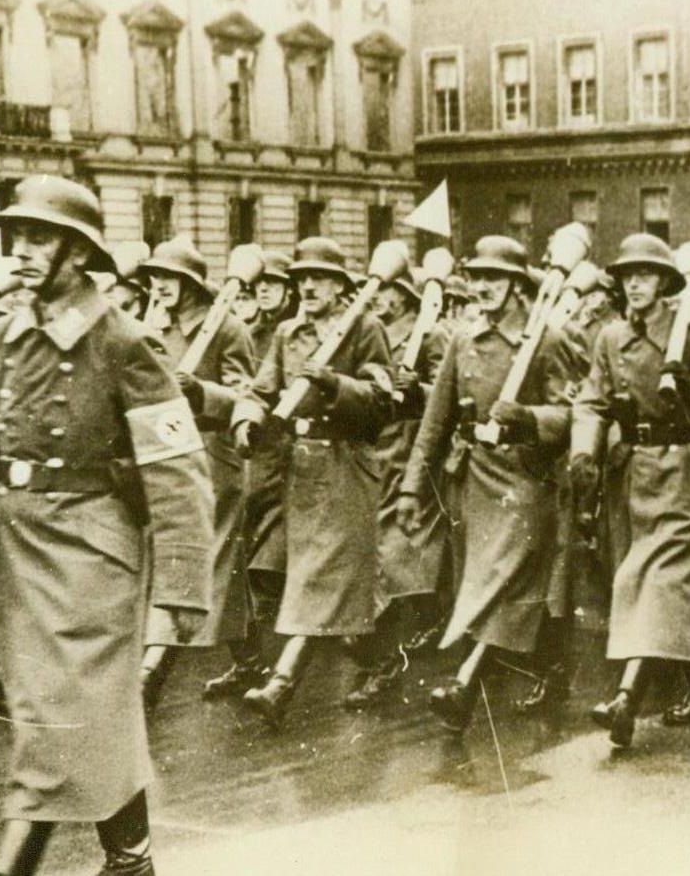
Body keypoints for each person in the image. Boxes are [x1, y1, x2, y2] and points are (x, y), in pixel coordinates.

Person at [0, 175, 214, 876]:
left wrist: (179, 593)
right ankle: (131, 859)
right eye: (15, 238)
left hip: (92, 556)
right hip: (17, 559)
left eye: (39, 239)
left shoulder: (123, 341)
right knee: (72, 722)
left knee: (58, 730)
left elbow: (177, 469)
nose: (20, 253)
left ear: (77, 254)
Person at [398, 236, 573, 734]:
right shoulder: (461, 338)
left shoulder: (546, 338)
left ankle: (464, 687)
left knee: (502, 583)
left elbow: (572, 413)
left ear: (518, 285)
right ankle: (548, 666)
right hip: (473, 481)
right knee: (492, 587)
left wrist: (529, 418)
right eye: (476, 278)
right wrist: (413, 487)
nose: (482, 288)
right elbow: (435, 422)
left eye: (494, 278)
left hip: (525, 478)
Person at [574, 233, 690, 747]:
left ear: (665, 281)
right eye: (626, 275)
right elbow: (591, 402)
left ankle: (626, 699)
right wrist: (584, 451)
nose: (634, 283)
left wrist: (688, 388)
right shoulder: (611, 337)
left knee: (656, 582)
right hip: (632, 475)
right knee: (647, 584)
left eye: (645, 274)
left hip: (683, 468)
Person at [233, 237, 391, 730]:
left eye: (318, 278)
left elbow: (383, 400)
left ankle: (282, 683)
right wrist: (246, 419)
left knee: (322, 577)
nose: (307, 287)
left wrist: (334, 386)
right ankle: (382, 657)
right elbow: (260, 389)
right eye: (301, 279)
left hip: (347, 463)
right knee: (327, 581)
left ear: (341, 285)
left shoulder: (366, 327)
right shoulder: (287, 333)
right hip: (300, 468)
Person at [138, 238, 258, 707]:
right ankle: (250, 661)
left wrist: (201, 391)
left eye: (169, 278)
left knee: (191, 565)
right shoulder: (155, 328)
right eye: (155, 277)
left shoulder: (227, 328)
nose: (159, 286)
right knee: (218, 571)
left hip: (213, 459)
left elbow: (246, 397)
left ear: (191, 284)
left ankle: (153, 671)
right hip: (167, 454)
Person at [343, 268, 452, 709]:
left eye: (387, 290)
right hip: (379, 445)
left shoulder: (431, 334)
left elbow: (449, 392)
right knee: (375, 545)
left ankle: (383, 649)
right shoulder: (372, 332)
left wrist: (420, 389)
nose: (379, 297)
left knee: (391, 548)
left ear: (406, 296)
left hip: (413, 448)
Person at [228, 250, 296, 683]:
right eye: (259, 285)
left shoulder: (294, 334)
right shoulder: (248, 331)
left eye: (274, 283)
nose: (265, 290)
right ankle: (251, 659)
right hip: (256, 445)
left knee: (273, 553)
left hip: (291, 449)